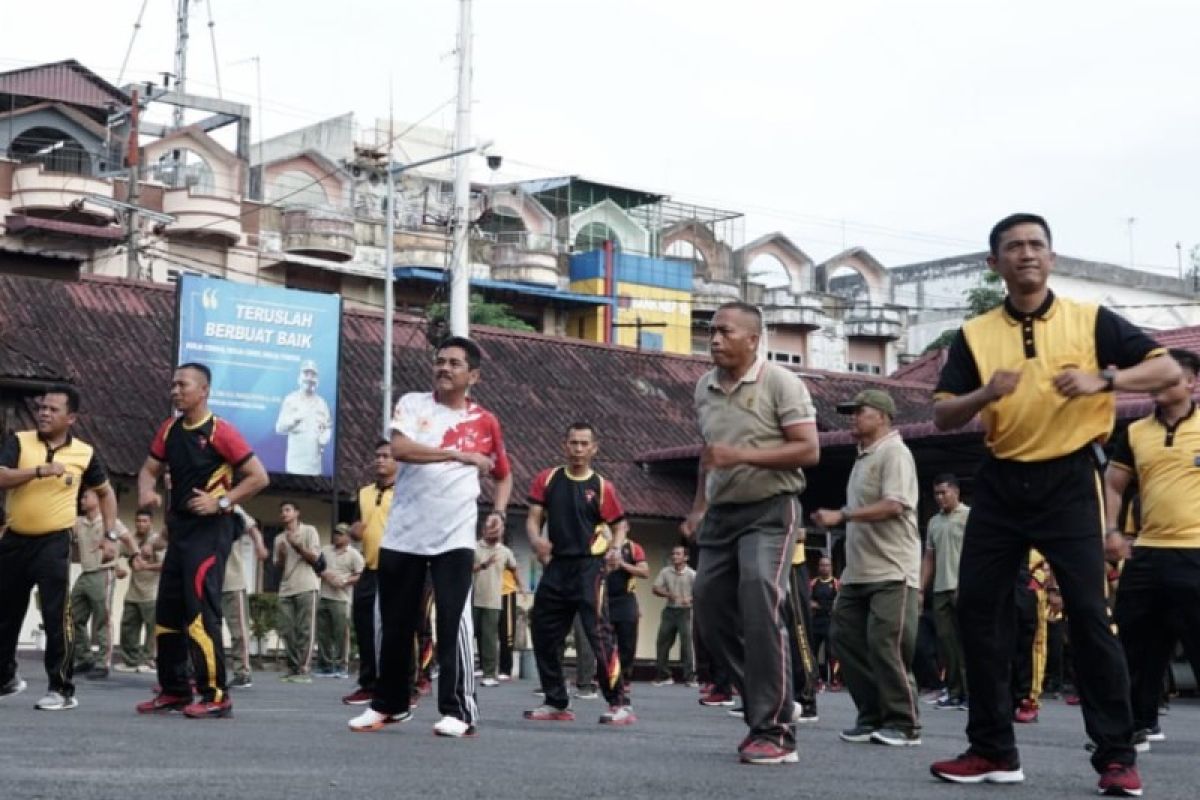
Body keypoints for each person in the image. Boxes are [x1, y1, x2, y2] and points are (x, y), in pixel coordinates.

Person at [928, 213, 1179, 795]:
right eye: (1013, 247)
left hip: (1070, 480)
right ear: (994, 265)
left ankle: (1116, 755)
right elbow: (941, 414)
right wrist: (984, 394)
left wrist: (1104, 380)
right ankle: (992, 748)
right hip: (1000, 480)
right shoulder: (973, 334)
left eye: (1036, 245)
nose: (1026, 254)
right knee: (979, 612)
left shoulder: (1090, 321)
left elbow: (1167, 369)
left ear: (1052, 257)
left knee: (1090, 616)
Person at [349, 336, 512, 738]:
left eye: (455, 363)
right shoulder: (413, 404)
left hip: (454, 536)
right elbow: (400, 448)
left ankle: (459, 711)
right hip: (404, 532)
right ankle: (389, 704)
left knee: (453, 623)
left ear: (473, 375)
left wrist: (499, 512)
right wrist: (457, 455)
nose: (444, 368)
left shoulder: (485, 421)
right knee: (395, 623)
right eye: (440, 361)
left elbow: (502, 474)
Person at [683, 301, 821, 765]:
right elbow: (710, 455)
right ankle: (768, 694)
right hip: (722, 514)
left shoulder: (781, 382)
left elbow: (808, 449)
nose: (715, 339)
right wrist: (698, 508)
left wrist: (740, 456)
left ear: (753, 339)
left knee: (761, 595)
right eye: (711, 331)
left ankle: (776, 729)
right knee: (708, 606)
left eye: (725, 331)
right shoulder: (704, 388)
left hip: (771, 509)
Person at [135, 362, 269, 718]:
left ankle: (216, 696)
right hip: (179, 531)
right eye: (173, 385)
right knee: (167, 613)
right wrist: (147, 493)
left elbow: (258, 477)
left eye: (183, 385)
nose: (175, 391)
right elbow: (148, 469)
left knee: (199, 612)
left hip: (209, 533)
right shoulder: (169, 429)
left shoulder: (220, 431)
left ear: (204, 390)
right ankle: (174, 690)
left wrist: (221, 501)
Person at [813, 389, 922, 748]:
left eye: (860, 411)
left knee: (886, 644)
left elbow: (894, 505)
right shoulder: (863, 457)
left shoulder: (894, 453)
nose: (853, 418)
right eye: (851, 412)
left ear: (883, 416)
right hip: (859, 572)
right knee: (844, 638)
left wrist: (843, 514)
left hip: (893, 570)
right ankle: (872, 715)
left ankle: (904, 723)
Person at [0, 385, 119, 711]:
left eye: (53, 409)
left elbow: (106, 493)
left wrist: (110, 536)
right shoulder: (20, 441)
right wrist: (39, 471)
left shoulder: (84, 453)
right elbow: (2, 476)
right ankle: (6, 678)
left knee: (56, 616)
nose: (44, 413)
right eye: (42, 408)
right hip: (14, 538)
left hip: (53, 541)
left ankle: (61, 689)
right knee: (6, 613)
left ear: (71, 418)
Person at [1106, 347, 1200, 752]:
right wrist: (1111, 530)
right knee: (1136, 645)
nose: (1157, 384)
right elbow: (1113, 484)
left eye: (1169, 376)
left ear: (1192, 382)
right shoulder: (1134, 431)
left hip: (1194, 552)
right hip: (1145, 553)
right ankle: (1138, 725)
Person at [523, 422, 633, 726]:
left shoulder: (601, 487)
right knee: (543, 631)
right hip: (556, 566)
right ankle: (556, 701)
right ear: (564, 445)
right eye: (573, 443)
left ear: (594, 448)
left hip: (590, 567)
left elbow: (619, 524)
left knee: (599, 633)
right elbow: (533, 519)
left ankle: (619, 703)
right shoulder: (547, 479)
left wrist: (616, 549)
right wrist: (536, 542)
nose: (578, 449)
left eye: (585, 444)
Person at [343, 440, 395, 705]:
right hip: (370, 568)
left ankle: (401, 685)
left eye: (386, 456)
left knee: (394, 631)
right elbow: (354, 525)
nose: (380, 460)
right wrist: (354, 531)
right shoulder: (363, 493)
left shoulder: (405, 493)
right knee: (364, 626)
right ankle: (367, 683)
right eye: (377, 456)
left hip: (397, 570)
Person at [70, 488, 131, 679]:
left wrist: (135, 556)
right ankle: (85, 658)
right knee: (73, 616)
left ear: (97, 499)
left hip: (103, 573)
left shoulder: (110, 523)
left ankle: (103, 663)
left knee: (102, 619)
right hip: (85, 574)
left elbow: (128, 539)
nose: (81, 500)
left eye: (85, 496)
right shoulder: (78, 523)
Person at [920, 474, 969, 710]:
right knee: (946, 644)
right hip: (941, 589)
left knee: (967, 642)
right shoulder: (933, 522)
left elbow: (977, 554)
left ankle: (972, 693)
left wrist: (968, 583)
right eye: (937, 494)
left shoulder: (970, 516)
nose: (940, 498)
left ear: (956, 492)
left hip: (964, 587)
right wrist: (920, 590)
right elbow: (929, 557)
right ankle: (955, 692)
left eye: (944, 492)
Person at [273, 501, 322, 683]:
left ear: (297, 513)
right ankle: (293, 667)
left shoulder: (309, 531)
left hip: (307, 585)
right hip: (286, 588)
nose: (284, 514)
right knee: (286, 629)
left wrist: (297, 546)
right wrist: (282, 556)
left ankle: (304, 670)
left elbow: (315, 558)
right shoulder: (278, 538)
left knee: (305, 629)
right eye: (282, 511)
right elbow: (277, 566)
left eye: (287, 510)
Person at [115, 509, 165, 673]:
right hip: (133, 593)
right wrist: (117, 569)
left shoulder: (157, 541)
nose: (141, 524)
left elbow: (167, 565)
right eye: (138, 521)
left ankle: (149, 661)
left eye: (144, 521)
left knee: (152, 631)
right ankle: (130, 661)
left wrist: (146, 567)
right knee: (128, 627)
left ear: (150, 522)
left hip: (152, 593)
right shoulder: (131, 539)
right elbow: (113, 552)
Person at [223, 505, 267, 688]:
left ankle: (242, 672)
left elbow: (252, 528)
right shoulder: (195, 502)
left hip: (232, 580)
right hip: (205, 579)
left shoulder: (231, 505)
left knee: (238, 631)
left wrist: (259, 545)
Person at [472, 525, 520, 687]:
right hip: (476, 596)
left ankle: (496, 671)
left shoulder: (505, 552)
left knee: (495, 635)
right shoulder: (474, 547)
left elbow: (515, 569)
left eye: (497, 531)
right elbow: (467, 569)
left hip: (499, 597)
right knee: (476, 633)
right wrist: (484, 565)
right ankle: (480, 667)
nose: (494, 534)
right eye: (489, 530)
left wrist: (521, 588)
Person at [317, 523, 364, 678]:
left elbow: (361, 575)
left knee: (340, 634)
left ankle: (340, 666)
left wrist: (345, 581)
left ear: (348, 537)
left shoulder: (354, 554)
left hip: (341, 598)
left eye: (340, 534)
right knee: (323, 633)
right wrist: (325, 575)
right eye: (335, 533)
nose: (336, 536)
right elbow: (317, 567)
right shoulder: (325, 550)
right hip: (324, 595)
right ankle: (324, 665)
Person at [605, 537, 649, 691]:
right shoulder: (599, 543)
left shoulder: (633, 547)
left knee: (627, 641)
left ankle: (624, 678)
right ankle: (604, 677)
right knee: (604, 640)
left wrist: (622, 564)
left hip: (625, 599)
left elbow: (645, 572)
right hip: (604, 597)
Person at [275, 359, 332, 476]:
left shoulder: (322, 403)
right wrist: (295, 419)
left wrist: (325, 437)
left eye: (313, 375)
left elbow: (328, 427)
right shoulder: (290, 400)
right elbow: (279, 428)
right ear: (300, 377)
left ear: (317, 379)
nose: (309, 378)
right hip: (295, 465)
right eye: (306, 374)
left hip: (315, 467)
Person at [651, 545, 697, 686]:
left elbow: (701, 593)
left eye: (678, 554)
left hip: (686, 612)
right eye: (673, 554)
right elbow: (656, 588)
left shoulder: (692, 574)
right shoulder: (666, 572)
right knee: (662, 642)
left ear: (686, 557)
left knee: (687, 644)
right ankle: (664, 675)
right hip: (670, 611)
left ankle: (690, 677)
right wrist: (668, 594)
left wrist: (689, 599)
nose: (674, 556)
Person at [808, 556, 840, 689]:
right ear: (818, 567)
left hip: (831, 621)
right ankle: (816, 680)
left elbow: (841, 601)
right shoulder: (813, 583)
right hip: (816, 622)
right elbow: (805, 600)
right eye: (822, 565)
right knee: (812, 652)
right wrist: (811, 604)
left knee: (832, 652)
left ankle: (835, 680)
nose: (824, 567)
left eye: (827, 565)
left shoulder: (836, 583)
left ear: (831, 567)